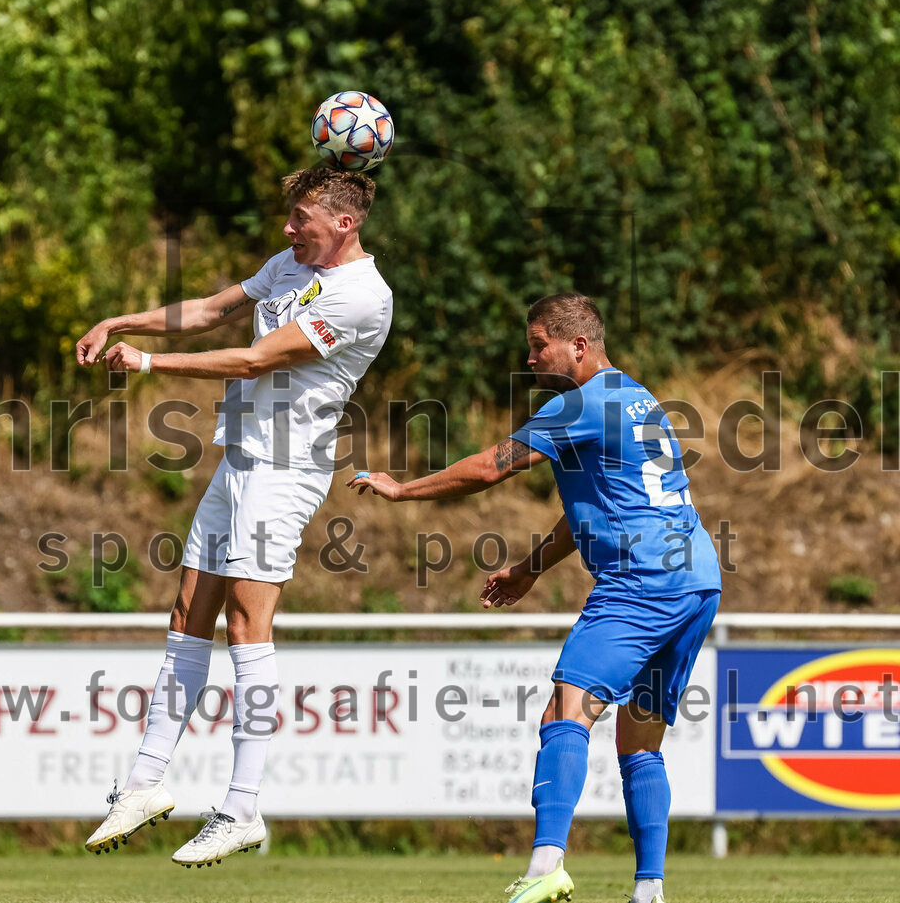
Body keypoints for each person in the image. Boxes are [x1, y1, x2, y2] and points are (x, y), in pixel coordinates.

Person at [348, 293, 721, 903]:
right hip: (695, 577)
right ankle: (649, 890)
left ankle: (547, 864)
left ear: (578, 345)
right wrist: (528, 569)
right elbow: (595, 509)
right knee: (640, 738)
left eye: (538, 343)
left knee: (565, 710)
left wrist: (402, 489)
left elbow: (492, 467)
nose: (530, 356)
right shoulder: (637, 399)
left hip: (642, 578)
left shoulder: (579, 404)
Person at [75, 165, 392, 867]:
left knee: (247, 625)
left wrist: (152, 363)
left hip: (285, 469)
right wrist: (119, 319)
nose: (287, 230)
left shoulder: (364, 296)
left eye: (300, 221)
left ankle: (243, 806)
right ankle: (144, 782)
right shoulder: (290, 264)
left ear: (344, 223)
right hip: (240, 457)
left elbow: (253, 359)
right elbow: (213, 309)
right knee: (189, 611)